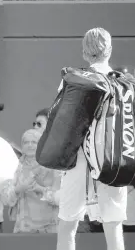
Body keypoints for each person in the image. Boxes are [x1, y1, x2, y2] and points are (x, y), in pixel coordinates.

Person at [56, 28, 127, 250]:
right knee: (113, 225)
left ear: (85, 53)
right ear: (110, 50)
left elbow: (61, 122)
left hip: (78, 158)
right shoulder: (125, 84)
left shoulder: (73, 80)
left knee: (68, 223)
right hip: (112, 158)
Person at [0, 129, 61, 233]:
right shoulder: (15, 167)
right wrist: (18, 189)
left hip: (49, 228)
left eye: (34, 142)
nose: (30, 145)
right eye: (26, 142)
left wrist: (40, 189)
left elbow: (61, 198)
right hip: (23, 227)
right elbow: (5, 199)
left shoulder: (53, 167)